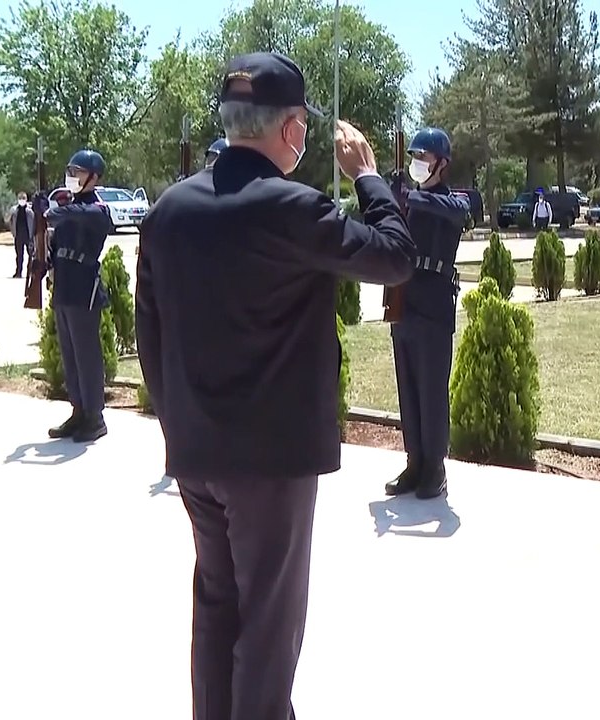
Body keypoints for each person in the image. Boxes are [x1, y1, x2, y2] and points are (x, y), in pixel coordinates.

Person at [135, 51, 416, 720]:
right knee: (268, 624)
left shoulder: (168, 211)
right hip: (270, 464)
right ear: (290, 129)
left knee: (217, 607)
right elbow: (395, 257)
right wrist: (371, 177)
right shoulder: (292, 207)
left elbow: (151, 337)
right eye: (303, 127)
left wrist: (180, 428)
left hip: (198, 453)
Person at [383, 127, 469, 499]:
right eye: (414, 157)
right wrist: (391, 198)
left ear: (442, 165)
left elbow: (456, 211)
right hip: (404, 297)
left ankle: (435, 465)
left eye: (424, 158)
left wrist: (412, 198)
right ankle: (414, 460)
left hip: (434, 303)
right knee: (409, 385)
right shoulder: (408, 200)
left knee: (433, 388)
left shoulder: (453, 201)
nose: (418, 164)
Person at [44, 150, 114, 442]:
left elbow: (76, 216)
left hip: (84, 288)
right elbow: (56, 239)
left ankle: (95, 417)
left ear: (94, 178)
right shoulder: (69, 205)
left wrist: (53, 209)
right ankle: (78, 411)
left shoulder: (96, 209)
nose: (72, 177)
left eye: (78, 172)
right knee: (70, 354)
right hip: (64, 285)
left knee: (86, 355)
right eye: (70, 171)